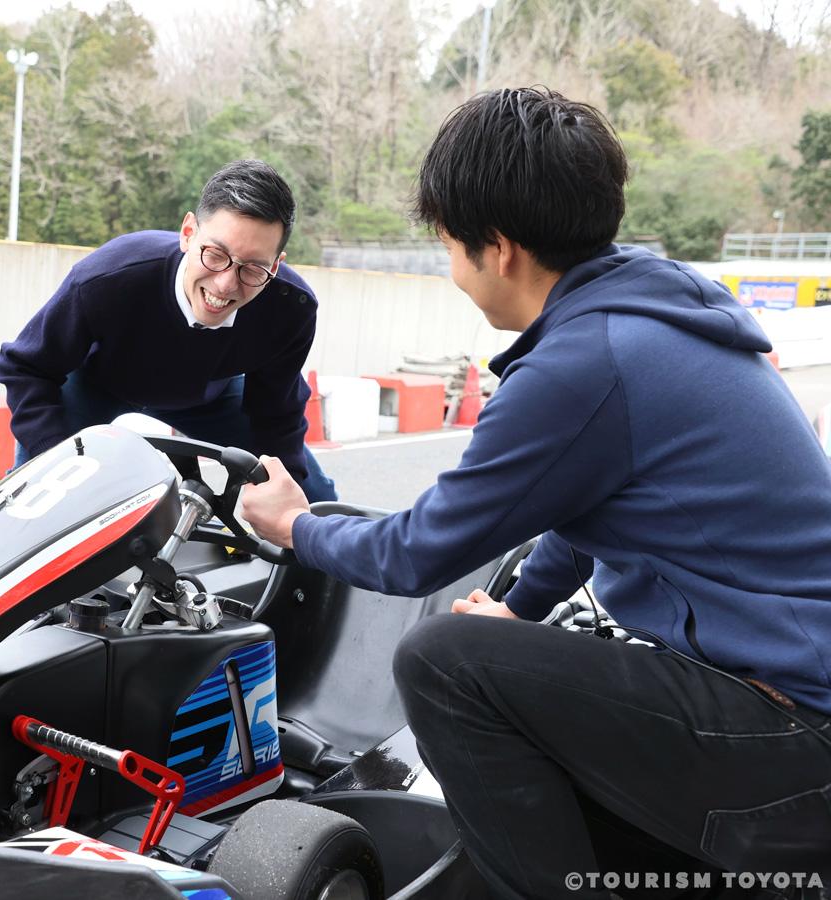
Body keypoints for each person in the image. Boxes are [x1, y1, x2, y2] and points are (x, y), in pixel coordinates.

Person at [242, 88, 831, 895]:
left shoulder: (584, 364)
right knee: (500, 659)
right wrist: (521, 610)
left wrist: (295, 527)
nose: (453, 268)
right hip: (789, 693)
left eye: (450, 244)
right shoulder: (646, 312)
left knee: (443, 660)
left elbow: (415, 554)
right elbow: (584, 510)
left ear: (500, 249)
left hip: (796, 731)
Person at [0, 159, 337, 502]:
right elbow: (25, 366)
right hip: (96, 385)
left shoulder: (292, 309)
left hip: (209, 396)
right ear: (188, 233)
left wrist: (286, 499)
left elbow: (276, 412)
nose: (225, 284)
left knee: (310, 495)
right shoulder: (110, 276)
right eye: (215, 254)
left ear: (276, 265)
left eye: (254, 269)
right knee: (35, 495)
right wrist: (59, 462)